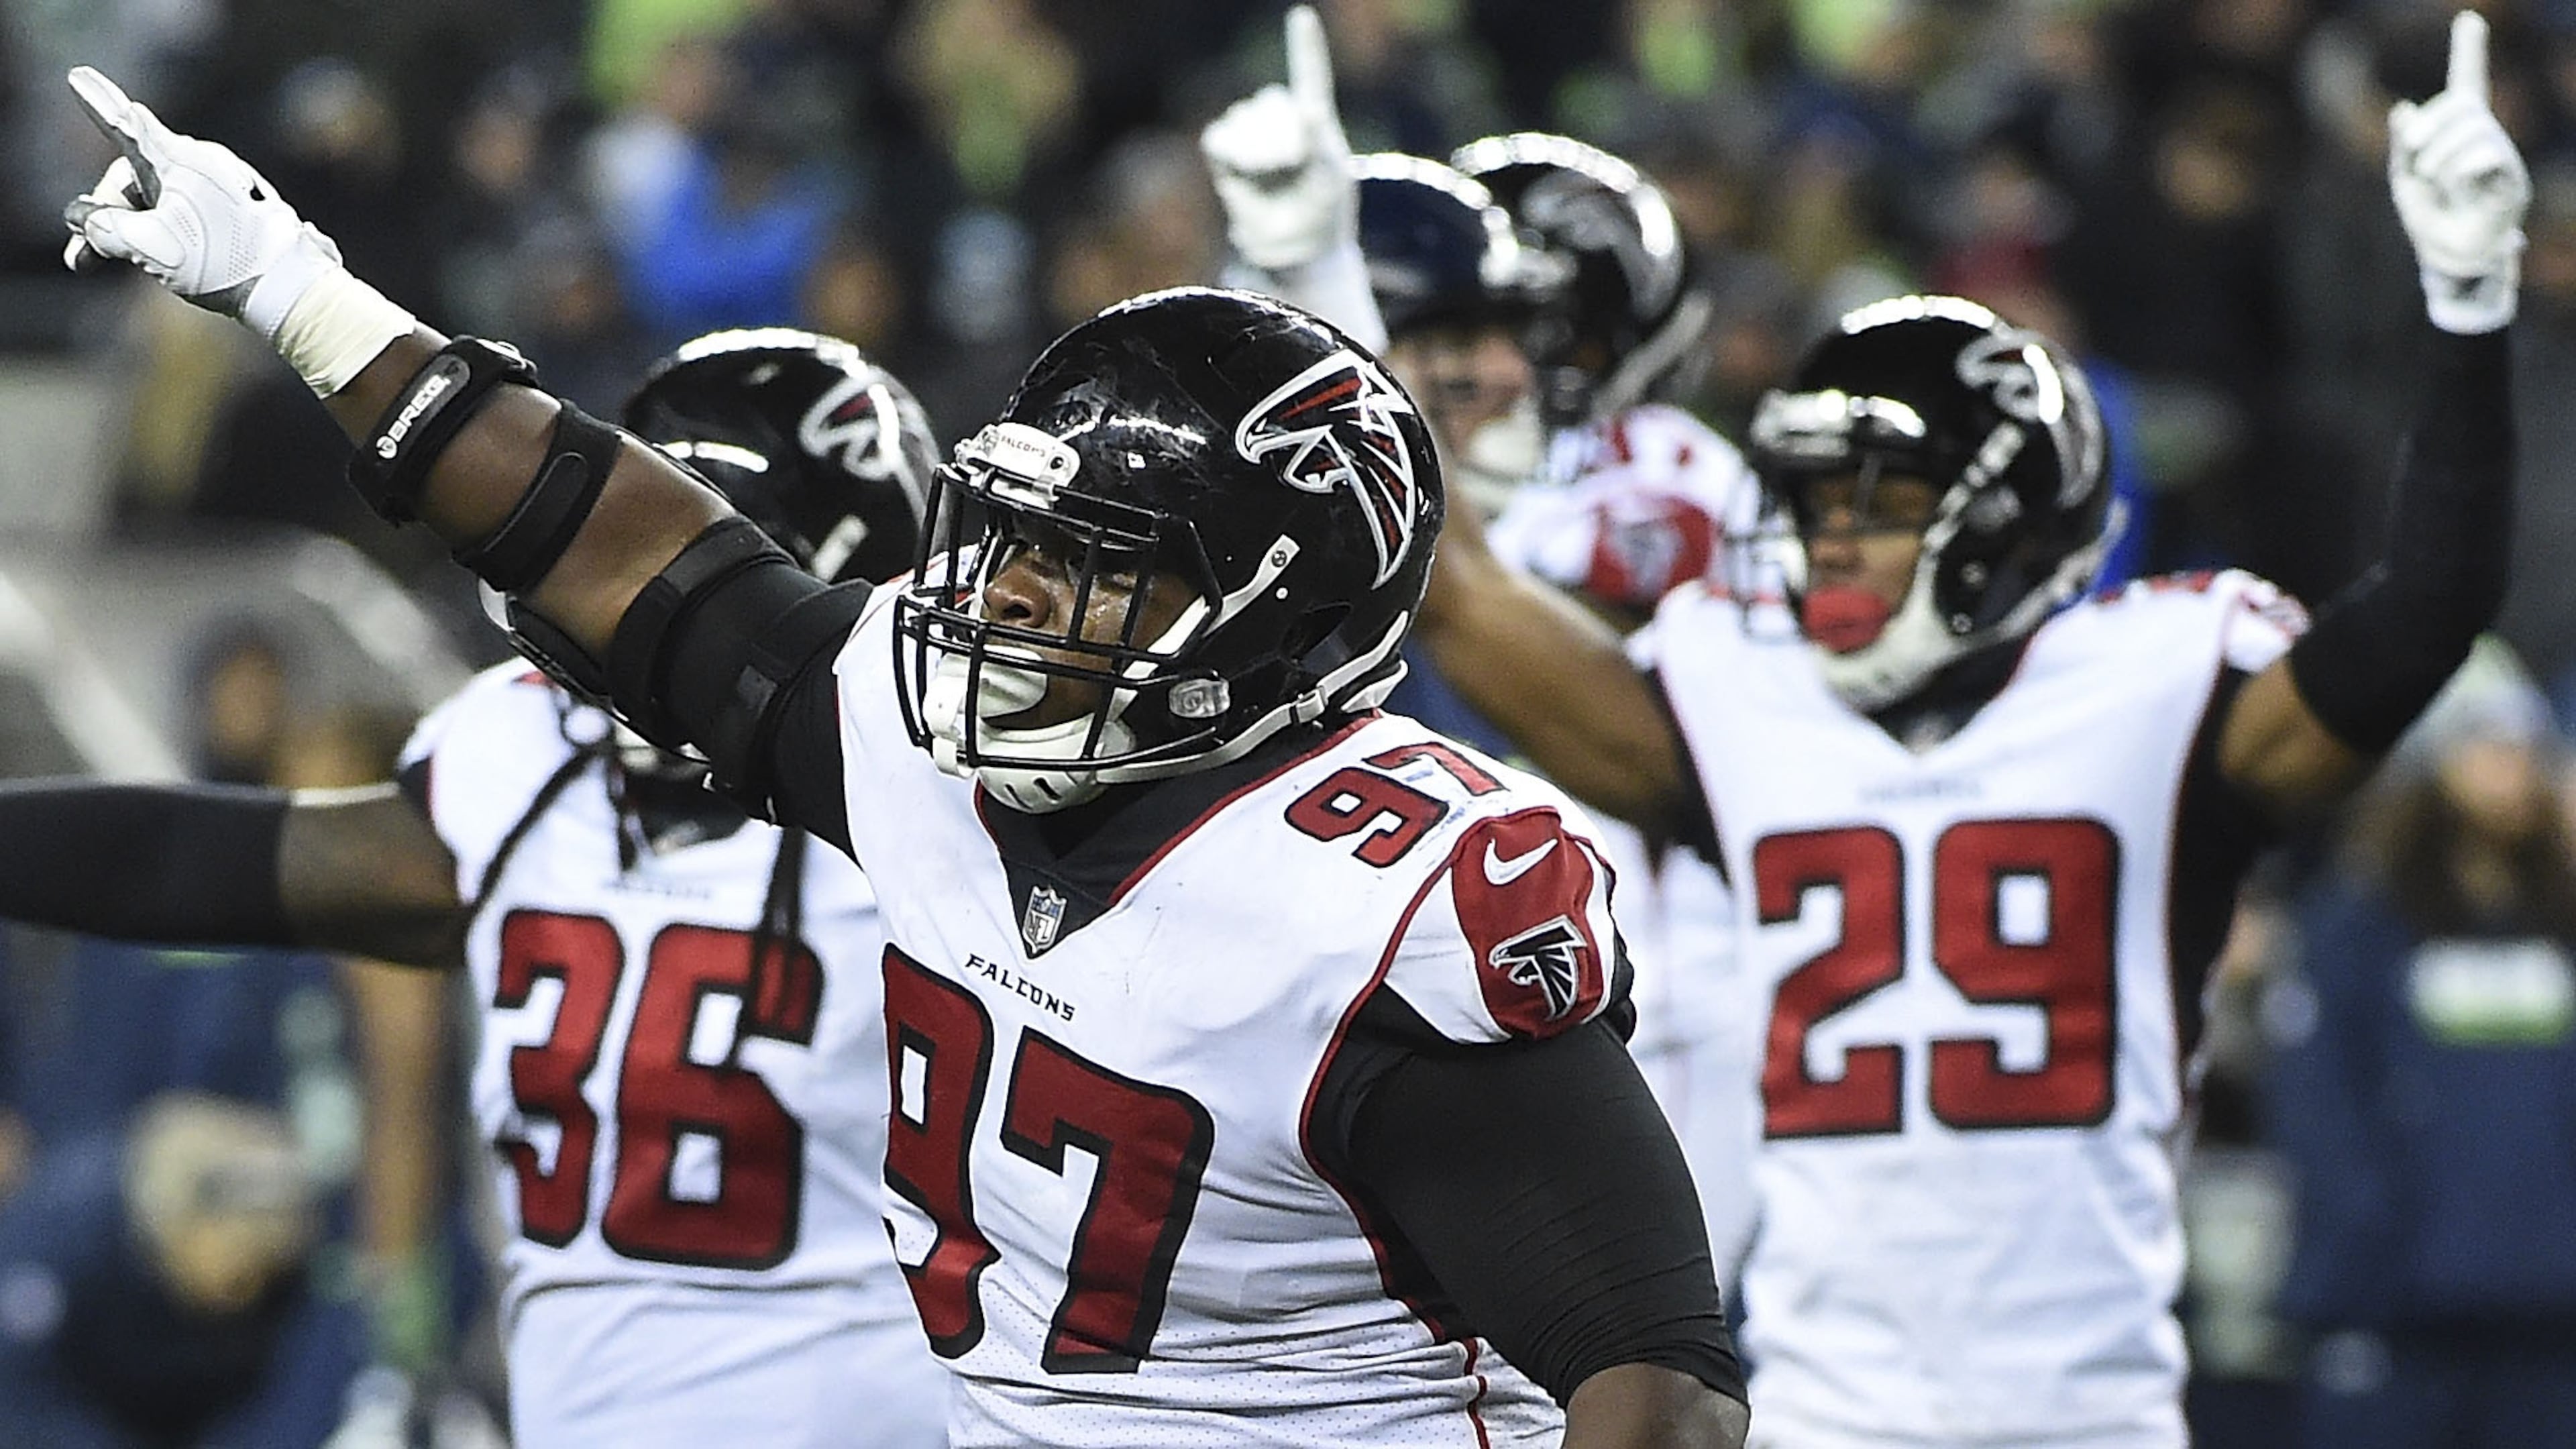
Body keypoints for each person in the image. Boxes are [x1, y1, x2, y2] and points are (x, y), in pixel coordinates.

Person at [52, 58, 1754, 1449]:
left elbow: (1659, 1382)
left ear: (1267, 608)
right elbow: (622, 544)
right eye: (1004, 537)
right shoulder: (912, 746)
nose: (999, 600)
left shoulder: (1374, 907)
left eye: (1079, 566)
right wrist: (298, 291)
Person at [1399, 10, 2524, 1446]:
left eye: (1879, 508)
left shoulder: (2157, 693)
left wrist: (2469, 303)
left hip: (2089, 1419)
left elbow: (2427, 608)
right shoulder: (1748, 705)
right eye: (1813, 511)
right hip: (1825, 1418)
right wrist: (1320, 278)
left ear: (2005, 520)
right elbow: (1458, 592)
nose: (1833, 554)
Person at [0, 327, 953, 1448]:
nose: (606, 591)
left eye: (665, 560)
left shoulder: (935, 823)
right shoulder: (525, 759)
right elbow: (200, 864)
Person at [1199, 7, 1763, 1281]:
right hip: (1354, 1019)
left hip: (1628, 1010)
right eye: (1455, 338)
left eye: (1508, 332)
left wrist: (1313, 290)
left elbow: (1462, 584)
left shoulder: (1643, 477)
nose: (1509, 370)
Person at [2268, 640, 2576, 1449]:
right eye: (2485, 744)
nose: (2510, 770)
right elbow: (2321, 1104)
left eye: (2523, 748)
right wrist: (2370, 1240)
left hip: (2547, 1309)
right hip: (2396, 1305)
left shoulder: (2562, 924)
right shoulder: (2356, 926)